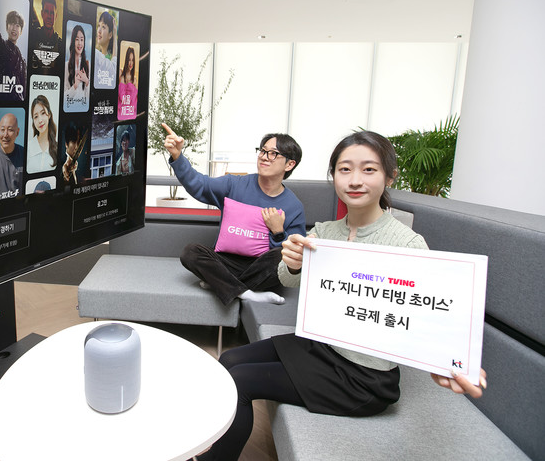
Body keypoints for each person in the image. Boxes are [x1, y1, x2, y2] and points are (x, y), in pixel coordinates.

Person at [196, 131, 488, 461]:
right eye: (345, 169)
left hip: (362, 377)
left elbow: (427, 313)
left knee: (241, 380)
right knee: (229, 360)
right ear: (333, 175)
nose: (355, 180)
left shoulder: (407, 244)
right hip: (320, 347)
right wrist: (291, 263)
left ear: (390, 176)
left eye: (369, 169)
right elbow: (287, 279)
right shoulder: (325, 232)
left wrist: (450, 360)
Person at [162, 123, 306, 306]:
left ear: (290, 164)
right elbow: (200, 185)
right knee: (191, 252)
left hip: (260, 268)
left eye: (273, 154)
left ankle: (220, 283)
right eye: (262, 151)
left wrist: (278, 233)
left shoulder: (293, 206)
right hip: (226, 262)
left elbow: (295, 259)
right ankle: (248, 293)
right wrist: (178, 156)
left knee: (280, 257)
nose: (264, 157)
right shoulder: (234, 184)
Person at [0, 113, 24, 201]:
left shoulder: (25, 156)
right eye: (2, 130)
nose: (5, 135)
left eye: (10, 130)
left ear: (17, 132)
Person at [0, 10, 26, 101]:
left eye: (17, 25)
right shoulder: (1, 46)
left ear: (21, 31)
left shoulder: (22, 61)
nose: (14, 28)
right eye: (11, 24)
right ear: (7, 27)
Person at [30, 0, 62, 74]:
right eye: (46, 12)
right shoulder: (33, 37)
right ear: (42, 13)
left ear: (56, 16)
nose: (49, 16)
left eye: (52, 13)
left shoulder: (60, 44)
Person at [26, 95, 58, 173]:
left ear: (49, 115)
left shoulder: (57, 147)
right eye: (36, 116)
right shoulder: (28, 147)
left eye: (43, 113)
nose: (40, 120)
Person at [64, 24, 90, 108]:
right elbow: (64, 98)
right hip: (70, 109)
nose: (80, 43)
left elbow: (90, 98)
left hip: (83, 110)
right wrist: (75, 85)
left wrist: (87, 81)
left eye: (82, 40)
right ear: (73, 42)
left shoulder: (88, 65)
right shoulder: (66, 66)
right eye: (77, 39)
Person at [93, 10, 117, 89]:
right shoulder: (96, 55)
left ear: (110, 35)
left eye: (103, 27)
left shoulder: (110, 59)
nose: (99, 31)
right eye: (98, 26)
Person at [117, 46, 137, 119]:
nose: (131, 63)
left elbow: (135, 101)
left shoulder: (134, 80)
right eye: (129, 60)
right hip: (119, 113)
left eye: (132, 60)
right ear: (126, 60)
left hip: (130, 115)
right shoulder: (120, 74)